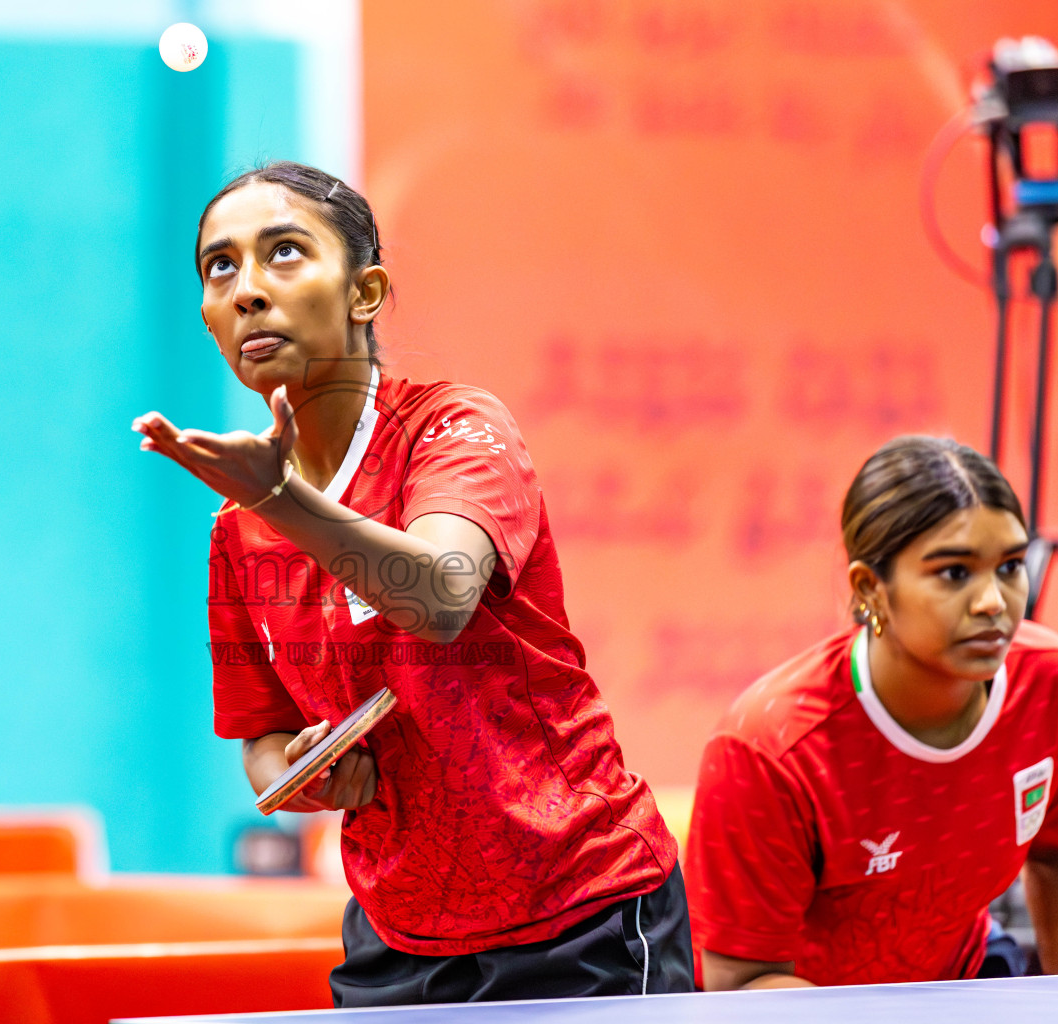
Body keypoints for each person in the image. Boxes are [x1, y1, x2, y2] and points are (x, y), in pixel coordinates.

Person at [131, 161, 691, 1004]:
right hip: (395, 932)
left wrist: (281, 500)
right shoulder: (238, 531)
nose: (248, 289)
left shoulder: (454, 428)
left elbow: (439, 597)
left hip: (581, 911)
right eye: (221, 266)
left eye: (284, 251)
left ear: (365, 292)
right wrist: (303, 775)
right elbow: (262, 739)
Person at [684, 436, 1058, 990]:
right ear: (871, 588)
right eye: (955, 573)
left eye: (1009, 566)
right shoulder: (767, 748)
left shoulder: (1055, 686)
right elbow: (741, 982)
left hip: (961, 975)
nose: (994, 602)